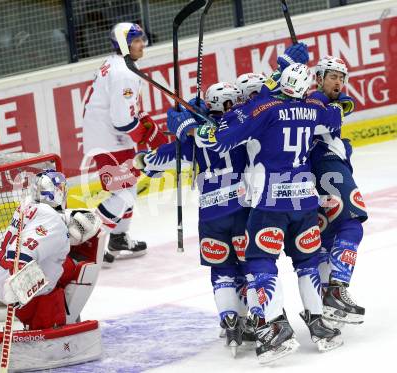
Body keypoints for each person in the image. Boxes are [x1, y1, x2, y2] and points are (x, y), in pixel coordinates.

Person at [167, 63, 344, 363]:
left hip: (270, 205)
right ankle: (319, 325)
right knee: (307, 264)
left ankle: (276, 329)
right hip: (304, 201)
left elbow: (217, 137)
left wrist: (187, 126)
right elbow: (336, 114)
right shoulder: (312, 109)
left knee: (260, 262)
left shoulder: (265, 109)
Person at [136, 81, 254, 356]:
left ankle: (230, 320)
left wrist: (152, 155)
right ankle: (253, 319)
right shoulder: (240, 125)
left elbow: (157, 159)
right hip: (240, 207)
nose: (238, 105)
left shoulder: (192, 138)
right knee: (249, 266)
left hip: (210, 213)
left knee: (222, 270)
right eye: (234, 101)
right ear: (227, 104)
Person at [0, 169, 104, 372]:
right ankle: (50, 326)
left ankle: (48, 318)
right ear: (56, 192)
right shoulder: (52, 221)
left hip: (4, 273)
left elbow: (43, 227)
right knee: (77, 272)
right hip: (21, 281)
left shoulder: (29, 205)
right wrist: (17, 282)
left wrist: (72, 218)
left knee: (67, 266)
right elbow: (25, 250)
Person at [82, 22, 167, 262]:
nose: (143, 44)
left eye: (142, 39)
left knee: (127, 186)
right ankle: (88, 240)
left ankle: (118, 238)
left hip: (109, 136)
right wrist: (146, 137)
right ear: (124, 44)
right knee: (125, 192)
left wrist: (147, 128)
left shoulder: (118, 64)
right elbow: (121, 121)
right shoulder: (124, 73)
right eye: (137, 40)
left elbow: (127, 113)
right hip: (109, 138)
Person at [310, 56, 367, 324]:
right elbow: (327, 118)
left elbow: (344, 105)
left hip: (314, 174)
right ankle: (336, 288)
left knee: (327, 237)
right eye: (333, 76)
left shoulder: (322, 101)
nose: (339, 82)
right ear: (318, 78)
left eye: (342, 77)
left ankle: (324, 300)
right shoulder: (314, 102)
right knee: (353, 225)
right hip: (329, 168)